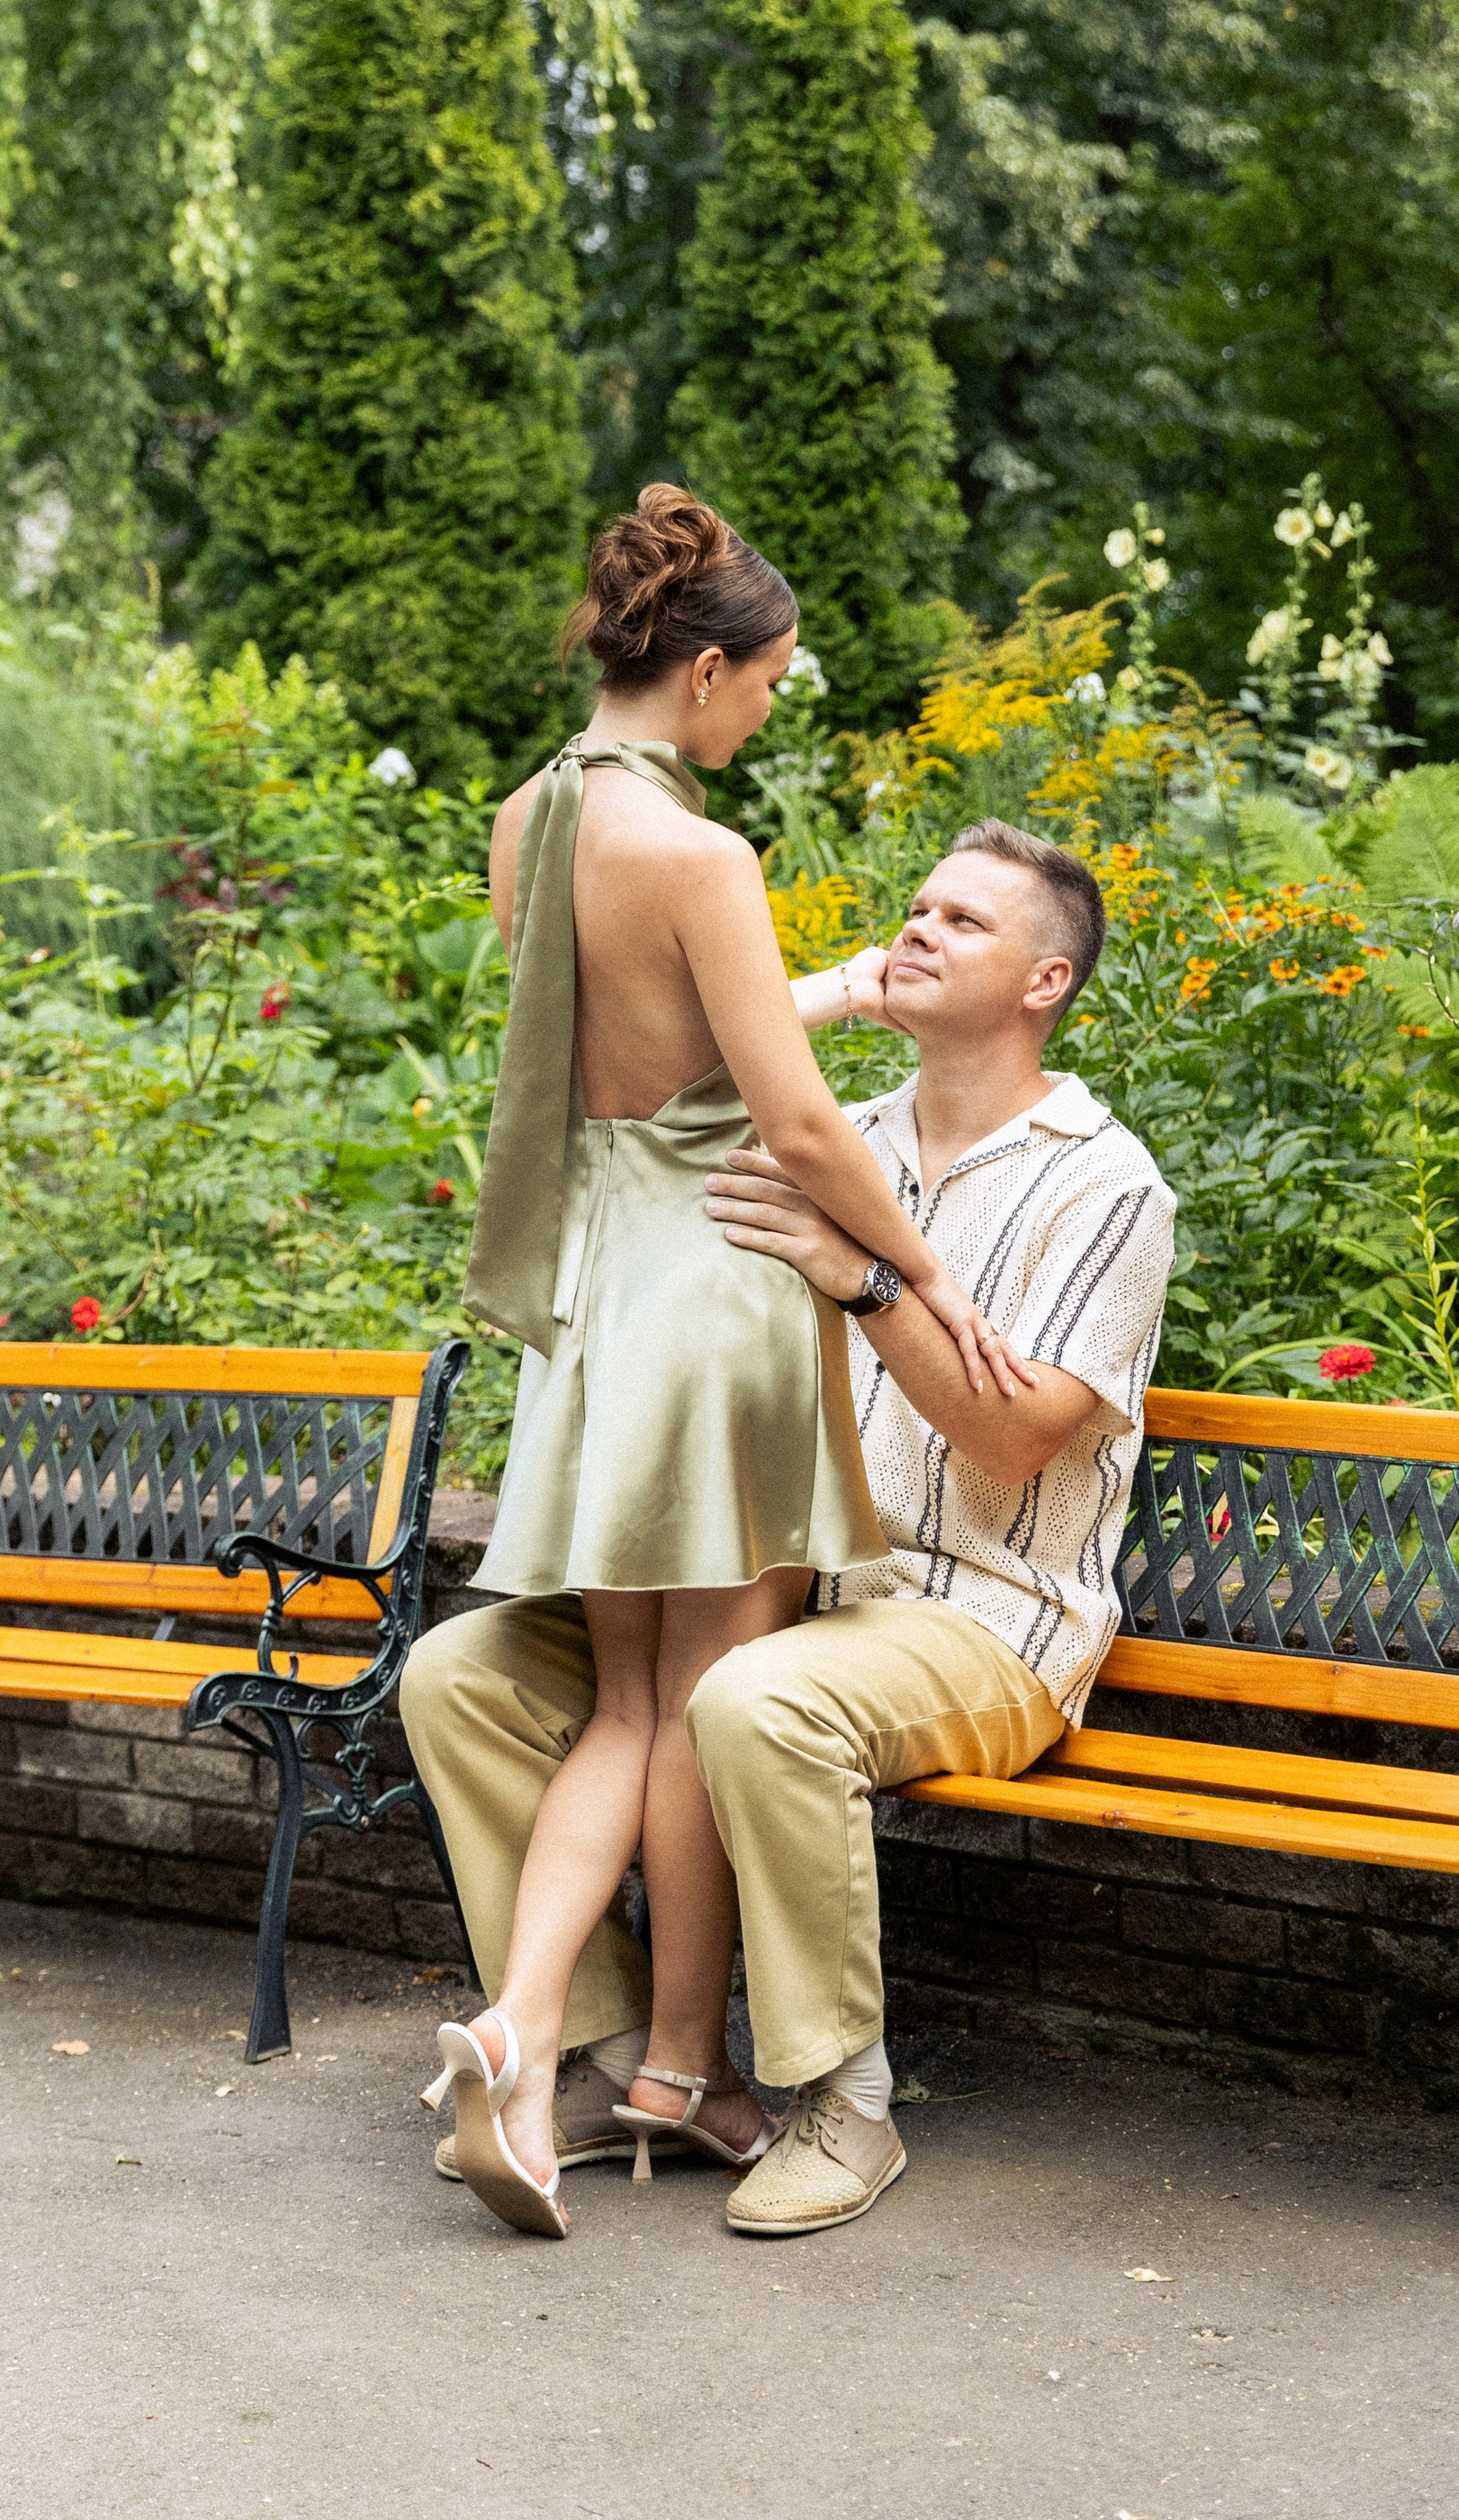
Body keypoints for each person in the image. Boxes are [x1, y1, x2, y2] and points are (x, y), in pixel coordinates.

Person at [403, 813, 1175, 2239]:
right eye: (919, 907)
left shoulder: (1103, 1180)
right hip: (781, 1584)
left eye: (964, 920)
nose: (920, 928)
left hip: (987, 1616)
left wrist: (863, 1276)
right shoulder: (823, 1129)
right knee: (464, 1675)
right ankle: (612, 2049)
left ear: (1045, 982)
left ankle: (845, 2100)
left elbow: (1011, 1437)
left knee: (748, 1700)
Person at [422, 489, 1023, 2240]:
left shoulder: (524, 819)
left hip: (600, 1297)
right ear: (700, 671)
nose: (766, 709)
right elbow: (793, 1131)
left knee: (622, 1701)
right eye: (761, 685)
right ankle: (676, 2064)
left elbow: (633, 1045)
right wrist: (924, 1270)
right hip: (725, 1281)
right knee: (702, 1696)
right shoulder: (702, 855)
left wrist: (817, 982)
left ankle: (528, 2037)